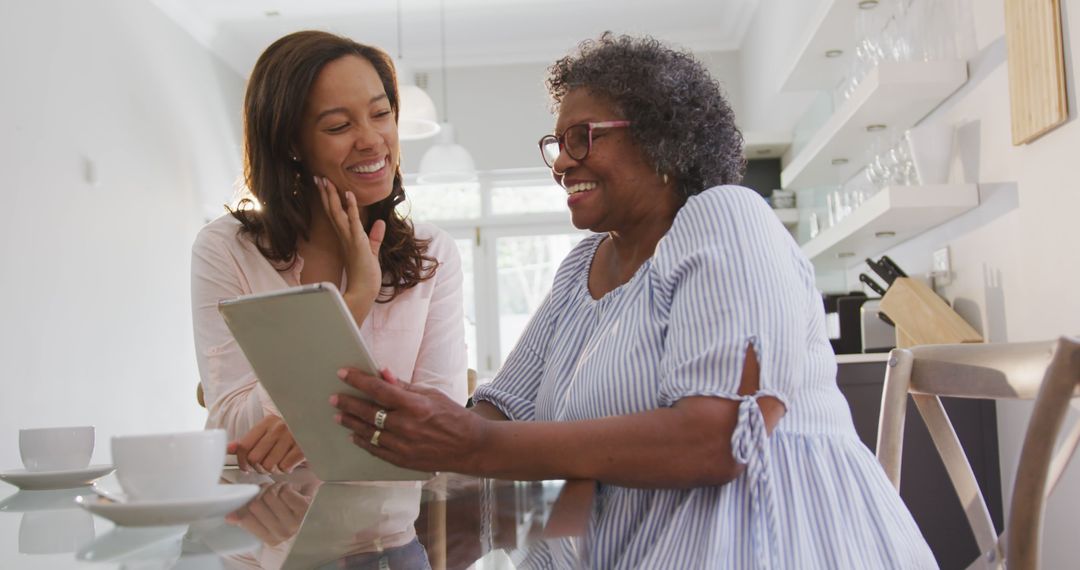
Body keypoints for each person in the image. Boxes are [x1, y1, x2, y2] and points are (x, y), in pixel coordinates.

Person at [330, 33, 937, 568]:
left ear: (664, 138)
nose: (562, 162)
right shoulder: (580, 270)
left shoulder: (726, 217)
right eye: (557, 143)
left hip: (775, 540)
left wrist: (471, 446)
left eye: (582, 138)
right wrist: (406, 423)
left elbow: (720, 438)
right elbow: (504, 412)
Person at [191, 30, 468, 475]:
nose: (373, 140)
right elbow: (233, 429)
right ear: (291, 145)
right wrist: (354, 299)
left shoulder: (432, 253)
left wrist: (301, 415)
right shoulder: (227, 248)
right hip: (258, 517)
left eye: (381, 114)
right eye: (339, 126)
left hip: (387, 518)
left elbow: (441, 425)